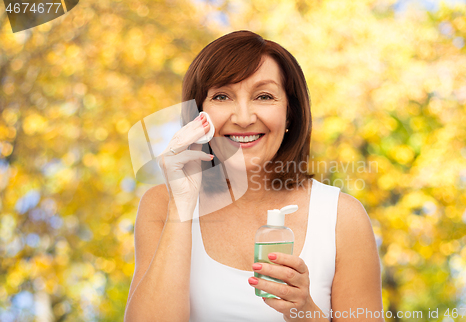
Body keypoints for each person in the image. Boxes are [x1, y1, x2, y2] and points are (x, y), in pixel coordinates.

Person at [124, 30, 384, 322]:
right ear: (198, 113)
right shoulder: (162, 205)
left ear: (290, 115)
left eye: (264, 96)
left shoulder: (342, 217)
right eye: (222, 96)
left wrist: (306, 312)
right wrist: (182, 207)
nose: (244, 118)